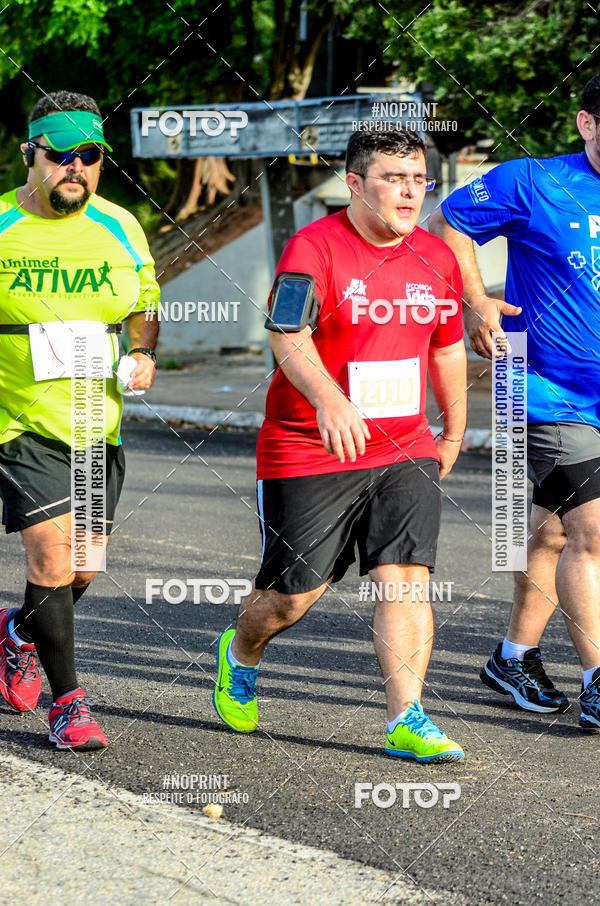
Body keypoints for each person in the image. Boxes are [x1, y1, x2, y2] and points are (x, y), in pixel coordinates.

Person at [213, 127, 467, 763]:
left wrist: (454, 428)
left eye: (419, 181)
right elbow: (286, 333)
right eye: (393, 179)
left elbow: (447, 345)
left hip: (402, 446)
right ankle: (241, 650)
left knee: (405, 578)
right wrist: (329, 398)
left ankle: (407, 715)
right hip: (308, 447)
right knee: (294, 595)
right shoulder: (313, 248)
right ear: (355, 184)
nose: (409, 193)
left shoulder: (436, 258)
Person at [429, 74, 600, 730]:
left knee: (555, 529)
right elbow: (451, 221)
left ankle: (513, 656)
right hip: (545, 387)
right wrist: (474, 300)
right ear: (587, 123)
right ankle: (597, 682)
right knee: (592, 531)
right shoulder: (531, 180)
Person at [0, 90, 160, 749]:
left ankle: (15, 634)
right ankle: (70, 706)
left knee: (83, 568)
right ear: (28, 156)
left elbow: (145, 302)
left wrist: (146, 351)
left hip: (97, 424)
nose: (75, 167)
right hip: (16, 422)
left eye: (88, 155)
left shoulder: (121, 226)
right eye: (59, 155)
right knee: (54, 550)